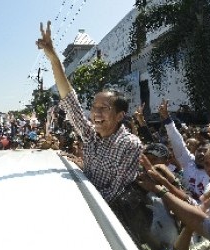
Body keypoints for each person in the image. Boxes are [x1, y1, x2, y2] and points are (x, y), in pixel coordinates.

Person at [36, 21, 142, 203]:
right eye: (94, 108)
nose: (96, 114)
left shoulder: (129, 145)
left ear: (119, 116)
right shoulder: (91, 135)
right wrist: (53, 57)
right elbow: (70, 100)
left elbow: (114, 194)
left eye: (104, 109)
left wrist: (77, 203)